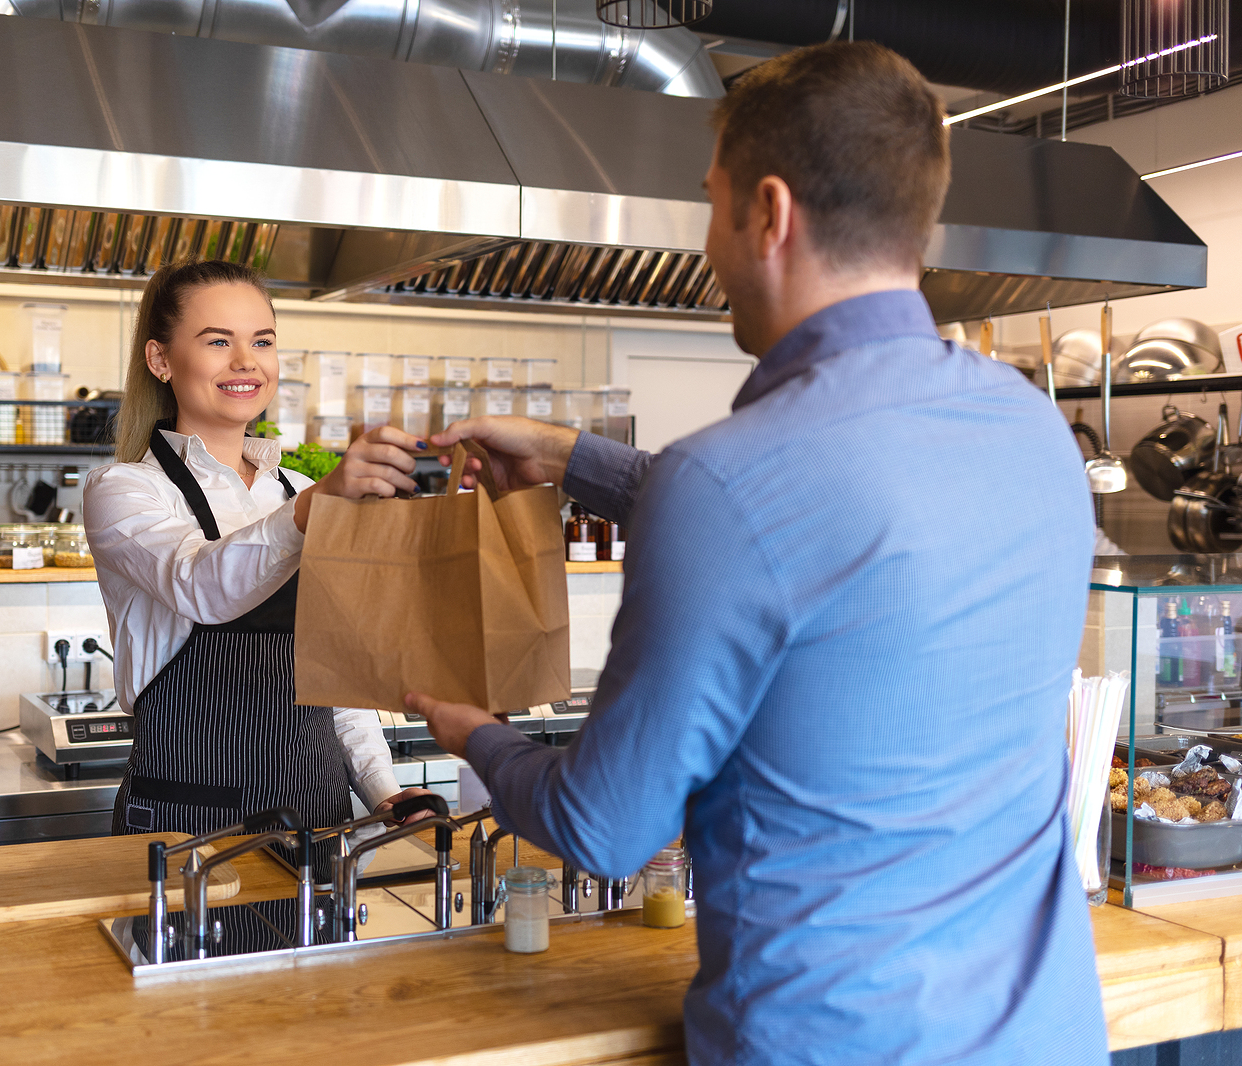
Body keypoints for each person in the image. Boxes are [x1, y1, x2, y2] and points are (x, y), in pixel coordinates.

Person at [409, 42, 1107, 1065]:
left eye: (709, 202)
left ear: (768, 214)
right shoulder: (1034, 429)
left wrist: (469, 729)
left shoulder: (728, 484)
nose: (705, 242)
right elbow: (830, 542)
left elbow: (601, 825)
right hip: (1041, 1036)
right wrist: (571, 457)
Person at [83, 260, 432, 845]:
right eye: (218, 341)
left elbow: (335, 673)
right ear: (161, 360)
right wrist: (322, 505)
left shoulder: (296, 490)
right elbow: (203, 586)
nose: (246, 362)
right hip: (188, 825)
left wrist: (382, 787)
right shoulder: (124, 490)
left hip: (318, 820)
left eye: (261, 341)